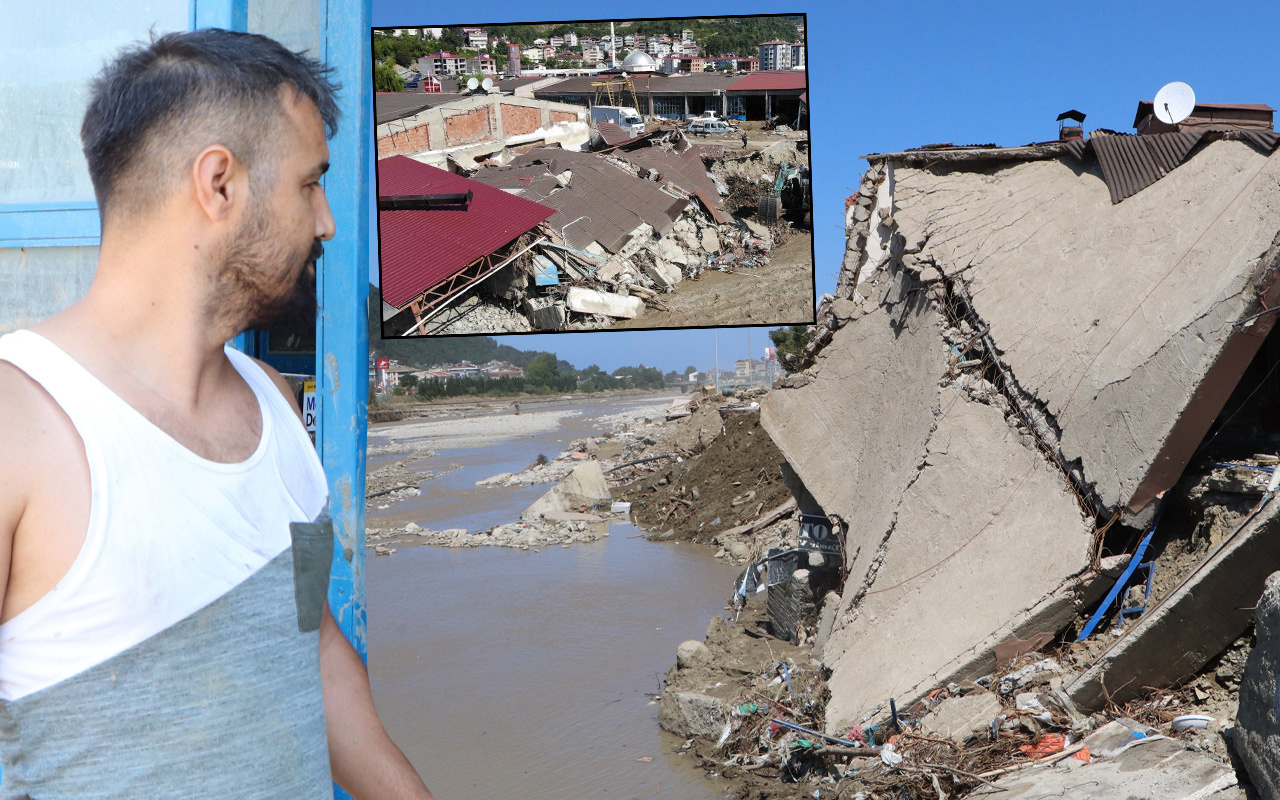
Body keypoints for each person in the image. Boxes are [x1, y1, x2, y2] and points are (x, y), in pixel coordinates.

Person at [0, 29, 433, 800]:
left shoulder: (275, 401)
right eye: (310, 184)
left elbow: (312, 648)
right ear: (219, 184)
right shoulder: (20, 426)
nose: (327, 222)